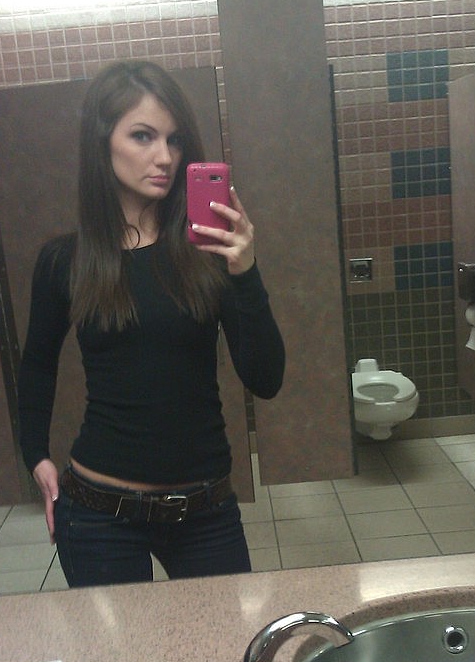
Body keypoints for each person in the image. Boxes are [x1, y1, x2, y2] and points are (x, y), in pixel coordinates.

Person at [18, 60, 285, 587]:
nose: (164, 157)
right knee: (119, 646)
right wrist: (36, 456)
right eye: (143, 136)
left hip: (204, 510)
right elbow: (37, 364)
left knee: (222, 640)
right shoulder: (66, 261)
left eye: (175, 139)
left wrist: (245, 272)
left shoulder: (208, 253)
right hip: (97, 512)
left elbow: (266, 378)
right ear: (102, 142)